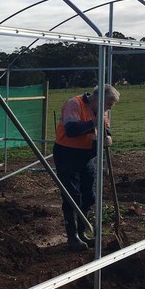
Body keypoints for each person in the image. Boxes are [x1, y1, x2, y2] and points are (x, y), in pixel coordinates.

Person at [53, 85, 120, 251]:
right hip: (67, 154)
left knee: (88, 195)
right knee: (72, 196)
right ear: (98, 98)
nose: (108, 109)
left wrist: (108, 137)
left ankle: (82, 232)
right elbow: (71, 130)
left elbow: (105, 128)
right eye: (108, 105)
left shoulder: (101, 110)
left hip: (86, 155)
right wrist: (93, 123)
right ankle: (72, 237)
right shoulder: (74, 104)